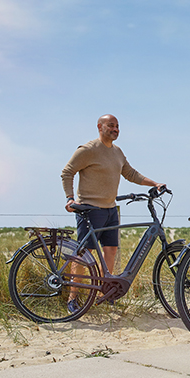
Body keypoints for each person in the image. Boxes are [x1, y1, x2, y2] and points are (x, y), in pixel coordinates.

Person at [61, 114, 165, 313]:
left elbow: (130, 174)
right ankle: (73, 298)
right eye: (111, 125)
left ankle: (104, 295)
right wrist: (69, 198)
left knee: (110, 251)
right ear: (99, 127)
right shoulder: (88, 150)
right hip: (90, 209)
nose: (115, 129)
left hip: (110, 209)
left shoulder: (117, 152)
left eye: (117, 126)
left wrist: (155, 183)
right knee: (84, 255)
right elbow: (67, 172)